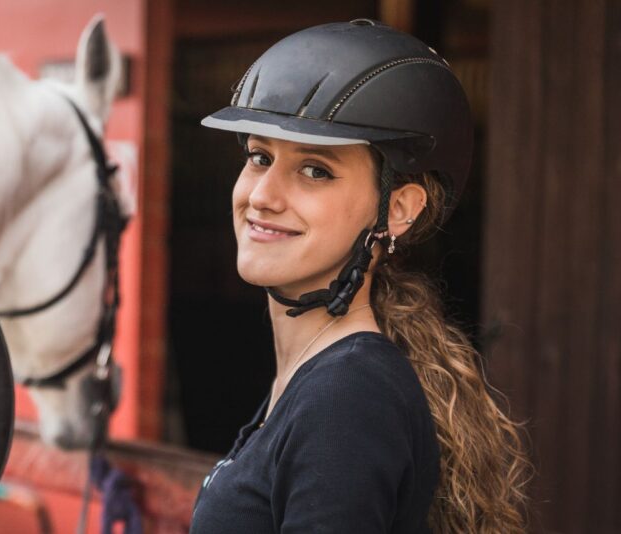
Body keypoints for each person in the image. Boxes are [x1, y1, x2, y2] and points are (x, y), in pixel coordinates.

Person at [188, 20, 531, 533]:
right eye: (260, 157)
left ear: (397, 210)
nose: (262, 195)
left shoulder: (347, 398)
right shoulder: (316, 378)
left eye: (315, 170)